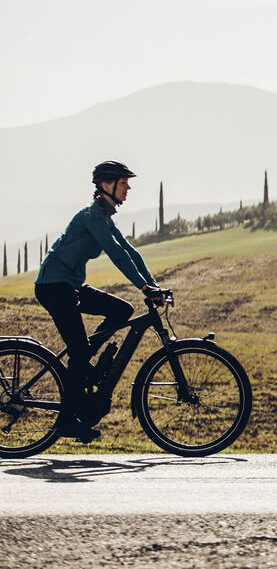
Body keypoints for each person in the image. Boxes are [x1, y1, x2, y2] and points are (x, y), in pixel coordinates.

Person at [35, 161, 168, 442]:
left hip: (69, 285)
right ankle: (67, 422)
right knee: (79, 353)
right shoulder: (92, 217)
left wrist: (153, 285)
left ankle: (84, 363)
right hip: (53, 286)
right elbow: (116, 254)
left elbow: (129, 251)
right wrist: (143, 286)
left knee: (122, 310)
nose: (128, 187)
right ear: (107, 185)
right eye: (123, 183)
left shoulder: (105, 217)